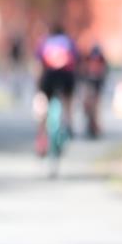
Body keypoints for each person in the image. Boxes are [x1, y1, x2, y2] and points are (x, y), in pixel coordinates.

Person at [34, 23, 77, 155]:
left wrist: (38, 86)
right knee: (68, 99)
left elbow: (38, 64)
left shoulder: (45, 41)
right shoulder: (69, 41)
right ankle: (69, 123)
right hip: (66, 76)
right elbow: (76, 61)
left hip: (49, 76)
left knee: (42, 102)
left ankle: (41, 137)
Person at [79, 43, 108, 138]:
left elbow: (104, 72)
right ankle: (92, 122)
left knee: (95, 104)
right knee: (90, 103)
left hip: (96, 82)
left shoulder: (99, 59)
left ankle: (95, 125)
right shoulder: (92, 58)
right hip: (91, 81)